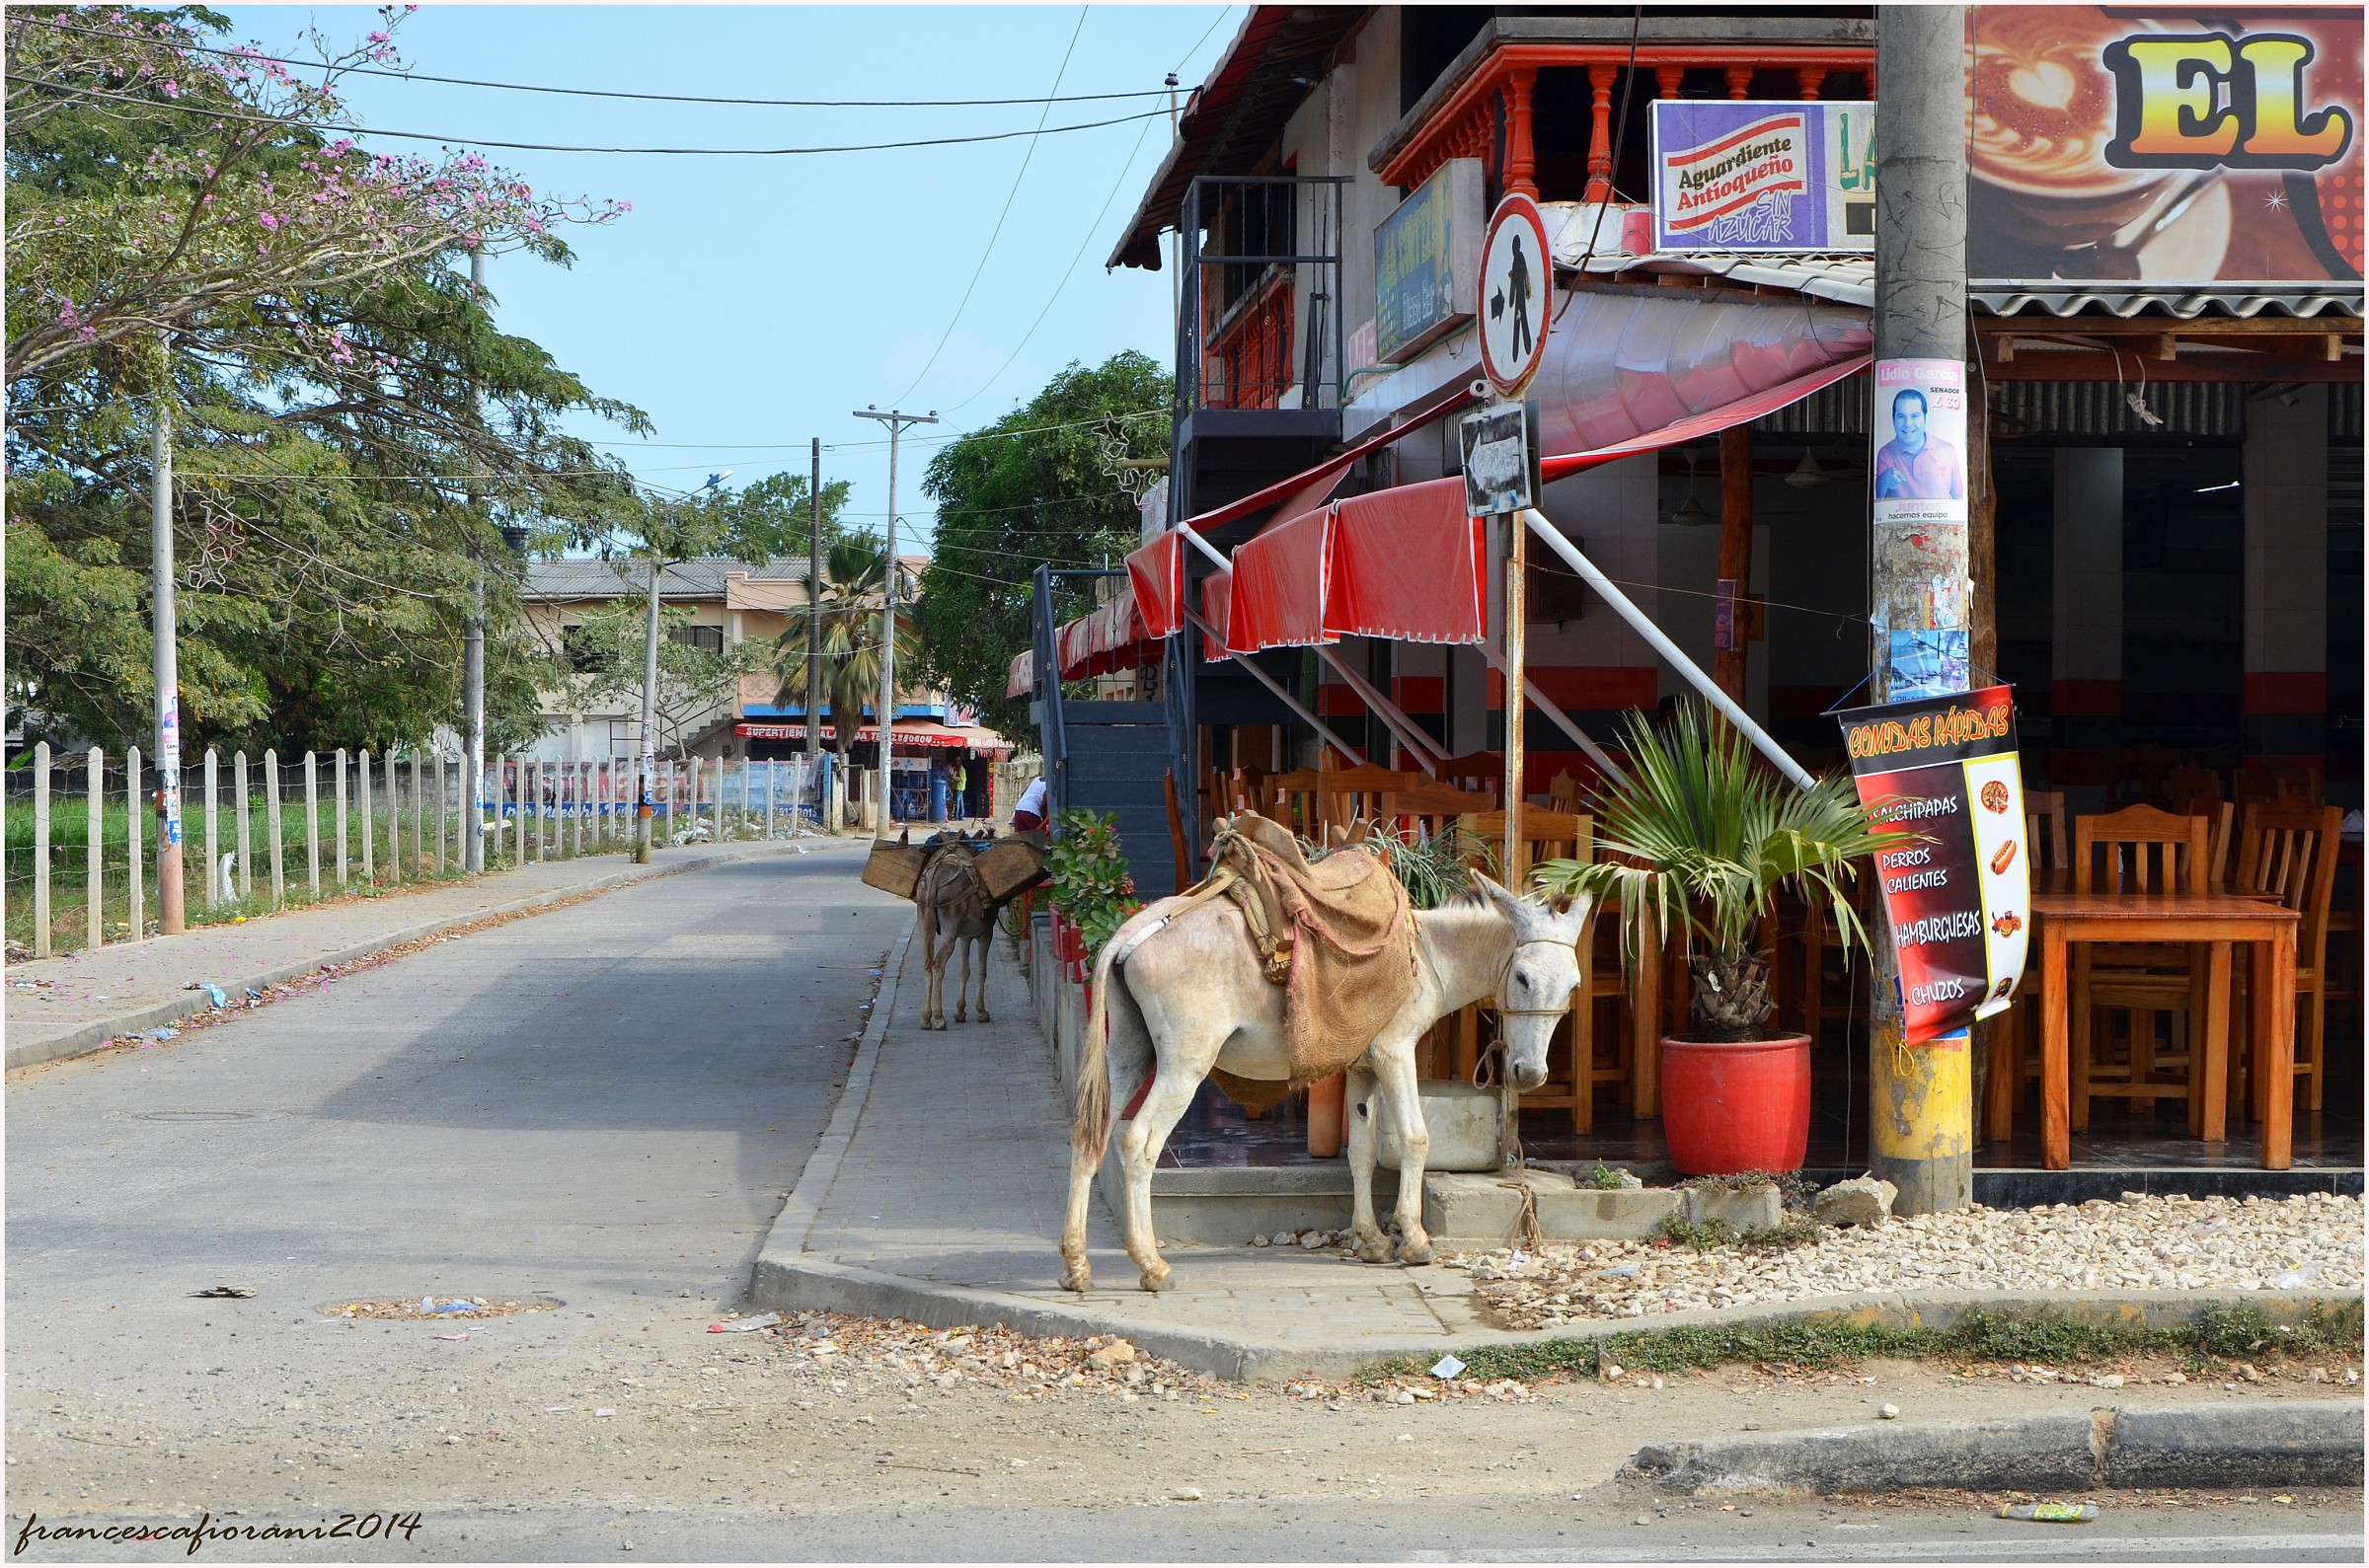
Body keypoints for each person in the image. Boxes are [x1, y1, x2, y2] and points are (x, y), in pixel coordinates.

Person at [1873, 387, 1964, 502]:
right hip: (1899, 520)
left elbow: (1958, 499)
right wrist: (1884, 480)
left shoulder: (1947, 450)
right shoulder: (1885, 453)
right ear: (1893, 420)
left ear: (1925, 418)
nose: (1908, 424)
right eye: (1901, 417)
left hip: (1938, 520)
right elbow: (1877, 498)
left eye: (1915, 416)